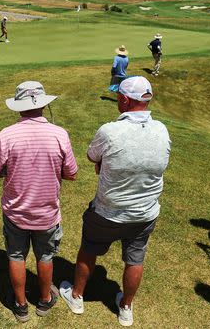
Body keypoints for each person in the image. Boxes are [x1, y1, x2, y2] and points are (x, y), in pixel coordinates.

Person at [60, 76, 170, 327]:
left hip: (107, 212)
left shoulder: (110, 130)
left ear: (123, 99)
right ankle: (126, 308)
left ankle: (76, 296)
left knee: (89, 249)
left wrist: (104, 162)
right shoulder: (162, 129)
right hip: (145, 212)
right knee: (135, 259)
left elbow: (91, 156)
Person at [0, 81, 78, 322]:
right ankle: (45, 300)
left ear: (19, 107)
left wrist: (12, 168)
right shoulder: (60, 134)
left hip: (16, 212)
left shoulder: (6, 135)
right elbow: (72, 173)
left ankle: (21, 305)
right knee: (45, 257)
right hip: (47, 213)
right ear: (43, 106)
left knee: (16, 256)